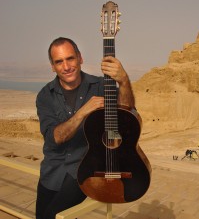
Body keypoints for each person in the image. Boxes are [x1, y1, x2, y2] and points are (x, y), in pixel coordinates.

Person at [35, 37, 135, 219]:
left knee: (52, 216)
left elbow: (127, 117)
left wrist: (124, 81)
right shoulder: (45, 96)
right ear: (52, 66)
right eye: (59, 62)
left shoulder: (102, 86)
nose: (66, 66)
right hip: (52, 171)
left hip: (84, 169)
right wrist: (82, 112)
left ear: (80, 58)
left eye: (70, 58)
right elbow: (53, 138)